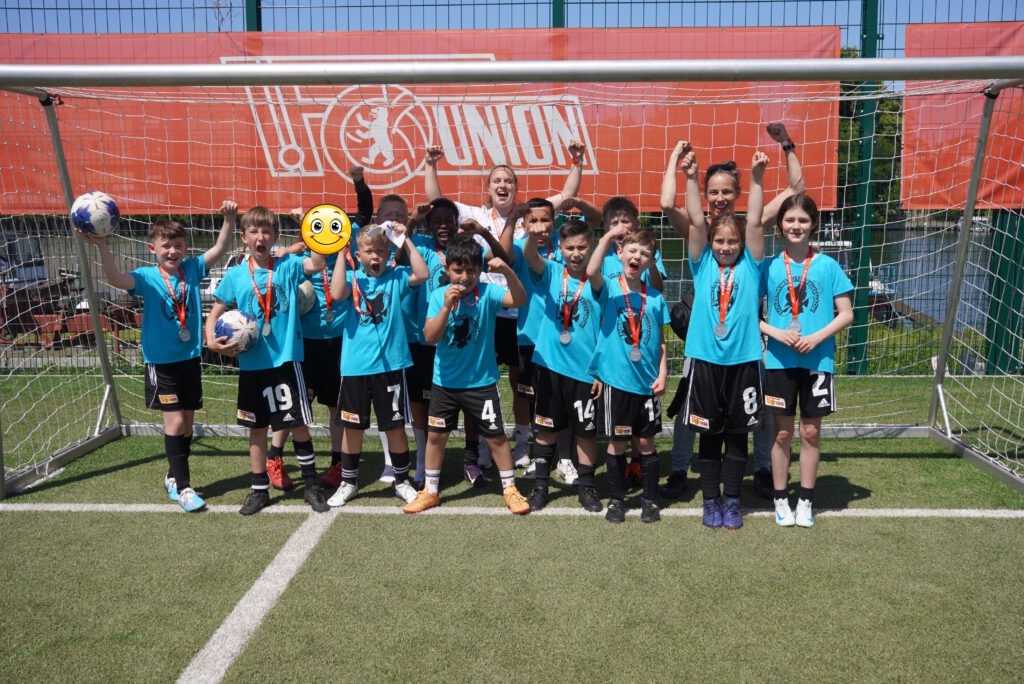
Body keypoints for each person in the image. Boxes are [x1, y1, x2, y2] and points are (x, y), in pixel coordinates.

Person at [660, 125, 805, 498]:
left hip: (746, 337)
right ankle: (679, 469)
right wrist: (681, 165)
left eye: (726, 191)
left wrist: (786, 145)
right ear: (705, 195)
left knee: (757, 407)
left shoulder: (750, 230)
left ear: (737, 193)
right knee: (690, 404)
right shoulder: (700, 234)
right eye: (713, 192)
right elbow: (670, 205)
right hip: (705, 339)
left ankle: (761, 468)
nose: (720, 198)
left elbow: (796, 189)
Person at [424, 142, 586, 468]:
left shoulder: (527, 213)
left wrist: (577, 161)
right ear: (488, 188)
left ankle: (523, 443)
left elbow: (567, 196)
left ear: (515, 188)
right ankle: (482, 447)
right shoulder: (474, 214)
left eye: (508, 180)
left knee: (520, 382)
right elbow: (435, 201)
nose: (503, 185)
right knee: (482, 380)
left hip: (518, 312)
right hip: (483, 310)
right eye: (497, 180)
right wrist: (430, 164)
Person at [82, 201, 236, 512]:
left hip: (189, 359)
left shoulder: (192, 269)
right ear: (153, 249)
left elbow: (220, 247)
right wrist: (102, 247)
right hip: (161, 363)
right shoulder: (147, 277)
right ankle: (184, 488)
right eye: (166, 246)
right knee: (175, 422)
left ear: (185, 247)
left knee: (188, 425)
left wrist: (230, 219)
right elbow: (116, 280)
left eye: (177, 245)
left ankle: (172, 475)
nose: (172, 251)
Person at [205, 206, 327, 515]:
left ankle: (311, 485)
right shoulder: (235, 275)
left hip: (285, 362)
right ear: (244, 237)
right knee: (256, 429)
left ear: (275, 236)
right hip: (251, 365)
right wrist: (210, 340)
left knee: (297, 424)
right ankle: (259, 490)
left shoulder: (287, 265)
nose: (260, 237)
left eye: (266, 232)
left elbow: (317, 262)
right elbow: (216, 311)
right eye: (254, 232)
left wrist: (307, 226)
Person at [402, 233, 530, 515]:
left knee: (496, 437)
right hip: (444, 383)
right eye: (458, 270)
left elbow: (520, 299)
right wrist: (446, 307)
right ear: (448, 270)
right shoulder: (439, 295)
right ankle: (431, 491)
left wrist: (507, 271)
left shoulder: (488, 292)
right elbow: (430, 337)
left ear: (480, 271)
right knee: (436, 437)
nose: (465, 276)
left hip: (481, 383)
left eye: (471, 270)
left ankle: (510, 488)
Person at [269, 166, 374, 491]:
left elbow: (365, 212)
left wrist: (359, 182)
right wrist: (290, 248)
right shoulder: (301, 261)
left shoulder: (348, 257)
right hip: (304, 345)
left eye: (335, 227)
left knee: (335, 407)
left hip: (340, 343)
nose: (328, 234)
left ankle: (338, 463)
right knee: (293, 406)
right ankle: (274, 458)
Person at [680, 146, 768, 530]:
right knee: (708, 438)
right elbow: (696, 221)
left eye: (732, 242)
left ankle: (732, 500)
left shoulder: (751, 264)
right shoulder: (701, 264)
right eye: (720, 242)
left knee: (736, 438)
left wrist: (758, 179)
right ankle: (710, 500)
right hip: (705, 361)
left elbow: (756, 221)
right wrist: (689, 178)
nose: (726, 247)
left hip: (743, 362)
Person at [761, 194, 853, 528]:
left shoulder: (828, 266)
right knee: (782, 433)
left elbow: (846, 314)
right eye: (789, 220)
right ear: (780, 224)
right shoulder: (768, 266)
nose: (796, 226)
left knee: (811, 432)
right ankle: (780, 499)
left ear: (814, 224)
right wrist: (775, 332)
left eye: (802, 220)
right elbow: (749, 315)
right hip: (779, 361)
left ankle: (806, 501)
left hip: (818, 360)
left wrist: (816, 338)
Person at [326, 221, 430, 507]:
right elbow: (336, 294)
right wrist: (340, 253)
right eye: (369, 251)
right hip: (355, 368)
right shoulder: (352, 278)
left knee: (394, 427)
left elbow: (423, 273)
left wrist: (405, 240)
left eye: (382, 251)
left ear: (389, 254)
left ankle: (401, 481)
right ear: (358, 255)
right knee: (352, 428)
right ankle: (349, 483)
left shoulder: (396, 277)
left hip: (391, 367)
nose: (376, 256)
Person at [515, 208, 603, 512]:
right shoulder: (552, 272)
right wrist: (532, 235)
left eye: (581, 247)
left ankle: (587, 488)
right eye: (569, 248)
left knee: (586, 433)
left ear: (590, 247)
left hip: (585, 371)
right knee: (546, 429)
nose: (576, 254)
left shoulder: (598, 281)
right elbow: (529, 255)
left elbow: (605, 332)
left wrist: (599, 372)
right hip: (550, 367)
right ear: (560, 248)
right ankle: (540, 487)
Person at [587, 223, 669, 523]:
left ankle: (649, 500)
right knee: (617, 443)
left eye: (644, 254)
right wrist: (609, 236)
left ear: (650, 261)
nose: (637, 257)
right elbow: (591, 270)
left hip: (647, 383)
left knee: (646, 444)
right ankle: (616, 500)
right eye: (632, 251)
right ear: (620, 253)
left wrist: (663, 373)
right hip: (617, 382)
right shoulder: (609, 289)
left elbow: (661, 342)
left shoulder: (656, 298)